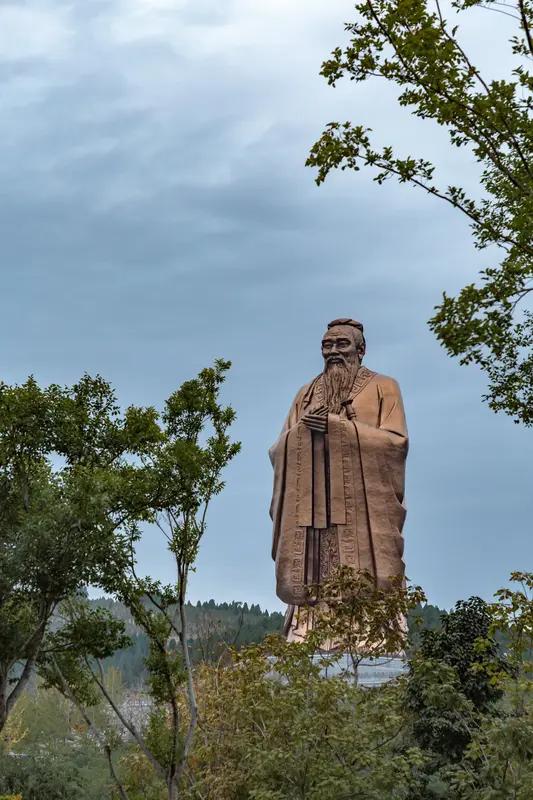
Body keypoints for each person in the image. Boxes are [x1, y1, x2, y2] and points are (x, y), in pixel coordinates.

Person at [269, 318, 408, 640]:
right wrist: (302, 432)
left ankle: (368, 630)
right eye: (327, 345)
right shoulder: (306, 393)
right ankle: (308, 629)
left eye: (341, 344)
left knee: (364, 575)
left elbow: (396, 443)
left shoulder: (384, 387)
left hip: (359, 506)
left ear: (361, 350)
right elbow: (278, 448)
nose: (333, 352)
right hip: (311, 507)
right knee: (313, 574)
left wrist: (340, 428)